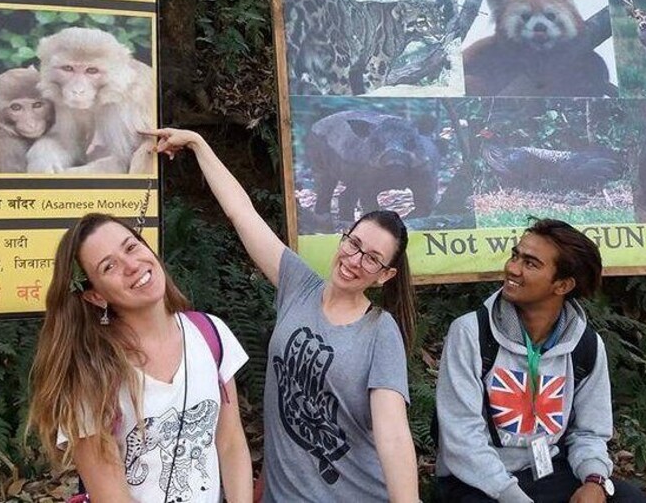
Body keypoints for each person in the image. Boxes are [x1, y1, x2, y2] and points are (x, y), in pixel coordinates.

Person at [148, 128, 421, 502]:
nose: (354, 260)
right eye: (353, 243)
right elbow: (241, 212)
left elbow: (392, 432)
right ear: (343, 238)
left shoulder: (379, 330)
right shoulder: (299, 286)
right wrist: (198, 143)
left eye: (372, 258)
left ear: (385, 275)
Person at [27, 213, 252, 503]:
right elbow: (112, 497)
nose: (132, 266)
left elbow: (230, 441)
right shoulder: (91, 375)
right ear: (96, 296)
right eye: (109, 266)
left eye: (131, 247)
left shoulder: (210, 334)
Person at [435, 218, 646, 503]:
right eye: (515, 256)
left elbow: (590, 432)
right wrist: (512, 496)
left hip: (549, 471)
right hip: (478, 483)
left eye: (530, 263)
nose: (512, 268)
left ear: (562, 285)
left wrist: (594, 480)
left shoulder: (585, 345)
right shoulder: (471, 333)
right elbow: (462, 439)